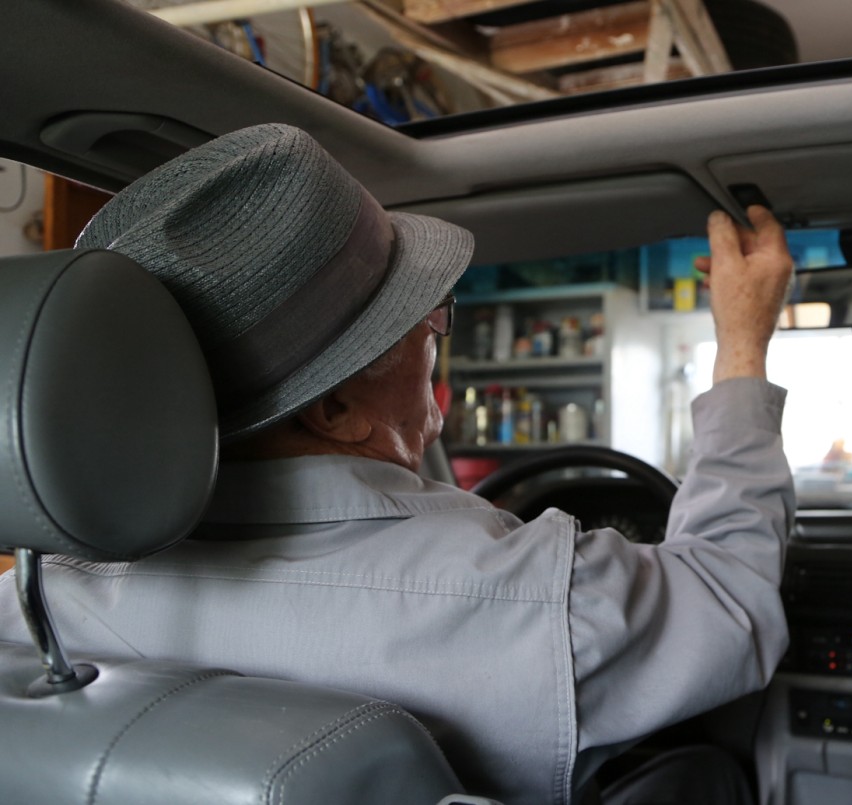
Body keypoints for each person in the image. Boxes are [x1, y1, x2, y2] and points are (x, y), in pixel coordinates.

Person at [0, 124, 796, 805]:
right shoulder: (526, 598)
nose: (436, 354)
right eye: (427, 328)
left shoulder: (34, 614)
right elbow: (731, 596)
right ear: (335, 410)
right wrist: (742, 343)